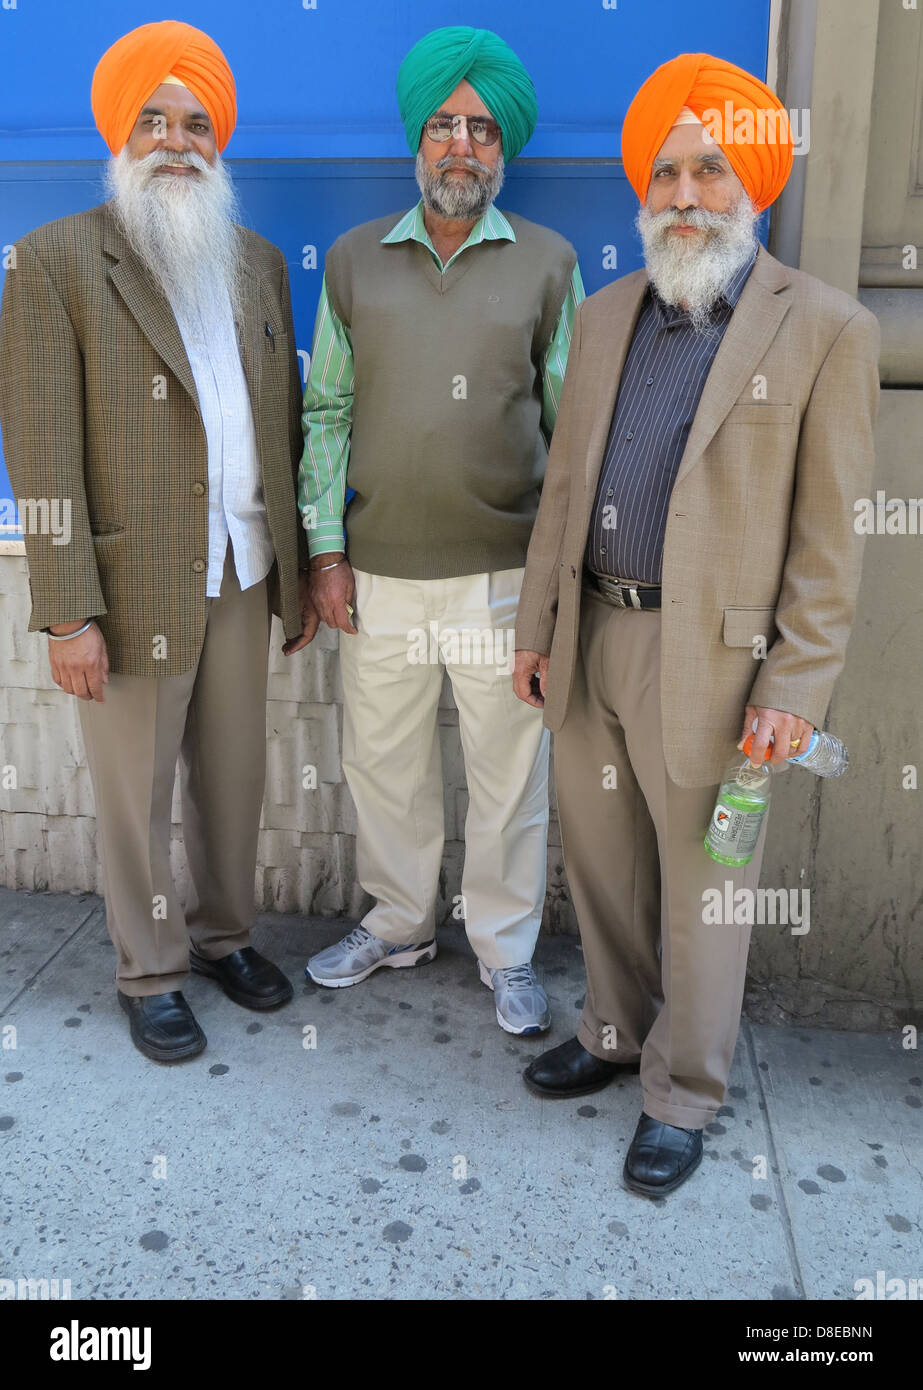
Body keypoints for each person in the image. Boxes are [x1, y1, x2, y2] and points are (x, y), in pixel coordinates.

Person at [513, 53, 880, 1192]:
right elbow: (564, 489)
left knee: (705, 887)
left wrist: (791, 693)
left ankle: (684, 1089)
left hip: (719, 665)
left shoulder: (823, 326)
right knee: (607, 869)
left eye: (708, 170)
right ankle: (615, 1035)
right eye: (665, 171)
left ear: (751, 184)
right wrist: (534, 629)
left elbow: (830, 542)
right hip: (594, 641)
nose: (681, 193)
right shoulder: (610, 310)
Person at [0, 20, 317, 1062]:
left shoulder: (259, 264)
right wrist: (66, 608)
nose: (176, 141)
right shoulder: (56, 263)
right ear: (120, 134)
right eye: (153, 120)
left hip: (243, 570)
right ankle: (149, 970)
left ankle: (226, 938)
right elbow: (40, 451)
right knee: (134, 796)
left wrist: (301, 573)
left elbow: (281, 423)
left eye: (194, 123)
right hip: (128, 587)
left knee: (234, 779)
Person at [299, 26, 584, 1035]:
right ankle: (399, 920)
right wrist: (323, 554)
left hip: (502, 578)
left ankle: (506, 950)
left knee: (508, 773)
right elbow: (325, 413)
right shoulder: (350, 262)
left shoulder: (548, 265)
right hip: (375, 575)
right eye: (441, 124)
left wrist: (554, 588)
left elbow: (570, 436)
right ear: (414, 143)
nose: (460, 144)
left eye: (479, 127)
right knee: (383, 761)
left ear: (502, 149)